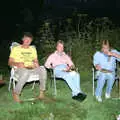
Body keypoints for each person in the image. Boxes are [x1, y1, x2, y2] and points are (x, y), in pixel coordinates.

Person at [8, 32, 47, 103]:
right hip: (20, 69)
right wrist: (17, 64)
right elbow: (9, 62)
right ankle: (16, 93)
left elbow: (36, 61)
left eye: (29, 40)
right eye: (26, 39)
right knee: (25, 72)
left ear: (31, 41)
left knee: (43, 69)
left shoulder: (33, 49)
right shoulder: (16, 49)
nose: (27, 41)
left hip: (32, 68)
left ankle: (41, 93)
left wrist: (36, 64)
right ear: (23, 39)